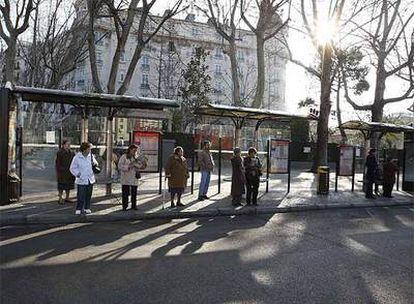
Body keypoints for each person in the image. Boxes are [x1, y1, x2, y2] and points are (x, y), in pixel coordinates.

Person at [70, 142, 97, 215]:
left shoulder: (91, 156)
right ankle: (79, 208)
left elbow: (95, 163)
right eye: (89, 149)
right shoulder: (77, 157)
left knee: (88, 194)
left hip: (90, 178)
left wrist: (95, 164)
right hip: (81, 179)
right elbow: (72, 168)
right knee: (81, 195)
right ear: (84, 149)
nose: (90, 151)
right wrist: (78, 174)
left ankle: (87, 207)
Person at [118, 144, 146, 211]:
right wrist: (128, 167)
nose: (135, 152)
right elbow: (119, 166)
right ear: (130, 150)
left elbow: (141, 166)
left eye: (136, 151)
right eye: (134, 150)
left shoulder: (136, 157)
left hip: (134, 178)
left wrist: (143, 164)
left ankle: (134, 205)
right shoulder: (124, 156)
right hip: (126, 178)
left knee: (134, 193)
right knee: (125, 193)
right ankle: (125, 206)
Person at [55, 139, 75, 204]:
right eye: (67, 144)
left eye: (69, 144)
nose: (68, 146)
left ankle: (67, 197)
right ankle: (60, 198)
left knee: (68, 185)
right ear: (63, 145)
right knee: (61, 185)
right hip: (62, 172)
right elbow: (57, 163)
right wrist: (60, 169)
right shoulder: (60, 152)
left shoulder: (72, 152)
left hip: (70, 171)